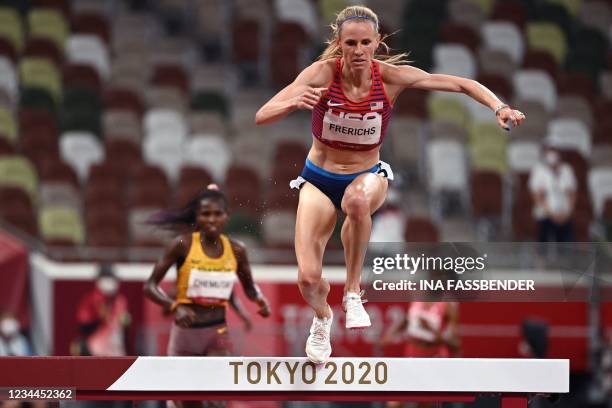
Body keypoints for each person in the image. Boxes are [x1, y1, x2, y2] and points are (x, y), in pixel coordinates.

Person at [255, 5, 525, 363]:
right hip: (318, 179)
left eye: (365, 42)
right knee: (307, 279)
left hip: (367, 176)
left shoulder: (391, 78)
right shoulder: (321, 73)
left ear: (377, 42)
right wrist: (293, 102)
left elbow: (461, 83)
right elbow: (262, 115)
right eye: (350, 43)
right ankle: (322, 317)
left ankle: (353, 293)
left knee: (356, 202)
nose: (358, 51)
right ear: (339, 42)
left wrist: (498, 106)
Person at [144, 185, 271, 408]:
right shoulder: (182, 245)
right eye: (205, 214)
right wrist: (174, 306)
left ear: (226, 216)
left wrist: (259, 300)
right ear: (197, 217)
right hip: (185, 335)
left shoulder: (237, 250)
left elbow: (249, 288)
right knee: (186, 404)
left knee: (217, 400)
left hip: (217, 331)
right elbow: (150, 286)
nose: (212, 219)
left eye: (217, 214)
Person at [380, 302, 459, 408]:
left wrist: (430, 328)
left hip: (432, 361)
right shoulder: (416, 302)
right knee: (395, 402)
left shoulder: (447, 307)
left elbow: (454, 344)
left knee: (424, 402)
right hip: (411, 358)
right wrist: (390, 335)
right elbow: (407, 320)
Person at [73, 264, 131, 357]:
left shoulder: (120, 300)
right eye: (106, 277)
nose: (109, 282)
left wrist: (125, 322)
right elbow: (83, 325)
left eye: (111, 278)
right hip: (94, 348)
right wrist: (97, 317)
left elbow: (123, 327)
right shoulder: (91, 299)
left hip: (116, 348)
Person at [528, 142, 577, 242]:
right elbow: (537, 196)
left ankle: (566, 256)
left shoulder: (567, 169)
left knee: (567, 238)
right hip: (545, 213)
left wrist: (567, 212)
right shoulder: (538, 170)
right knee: (544, 233)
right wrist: (552, 214)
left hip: (565, 213)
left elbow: (572, 193)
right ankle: (541, 257)